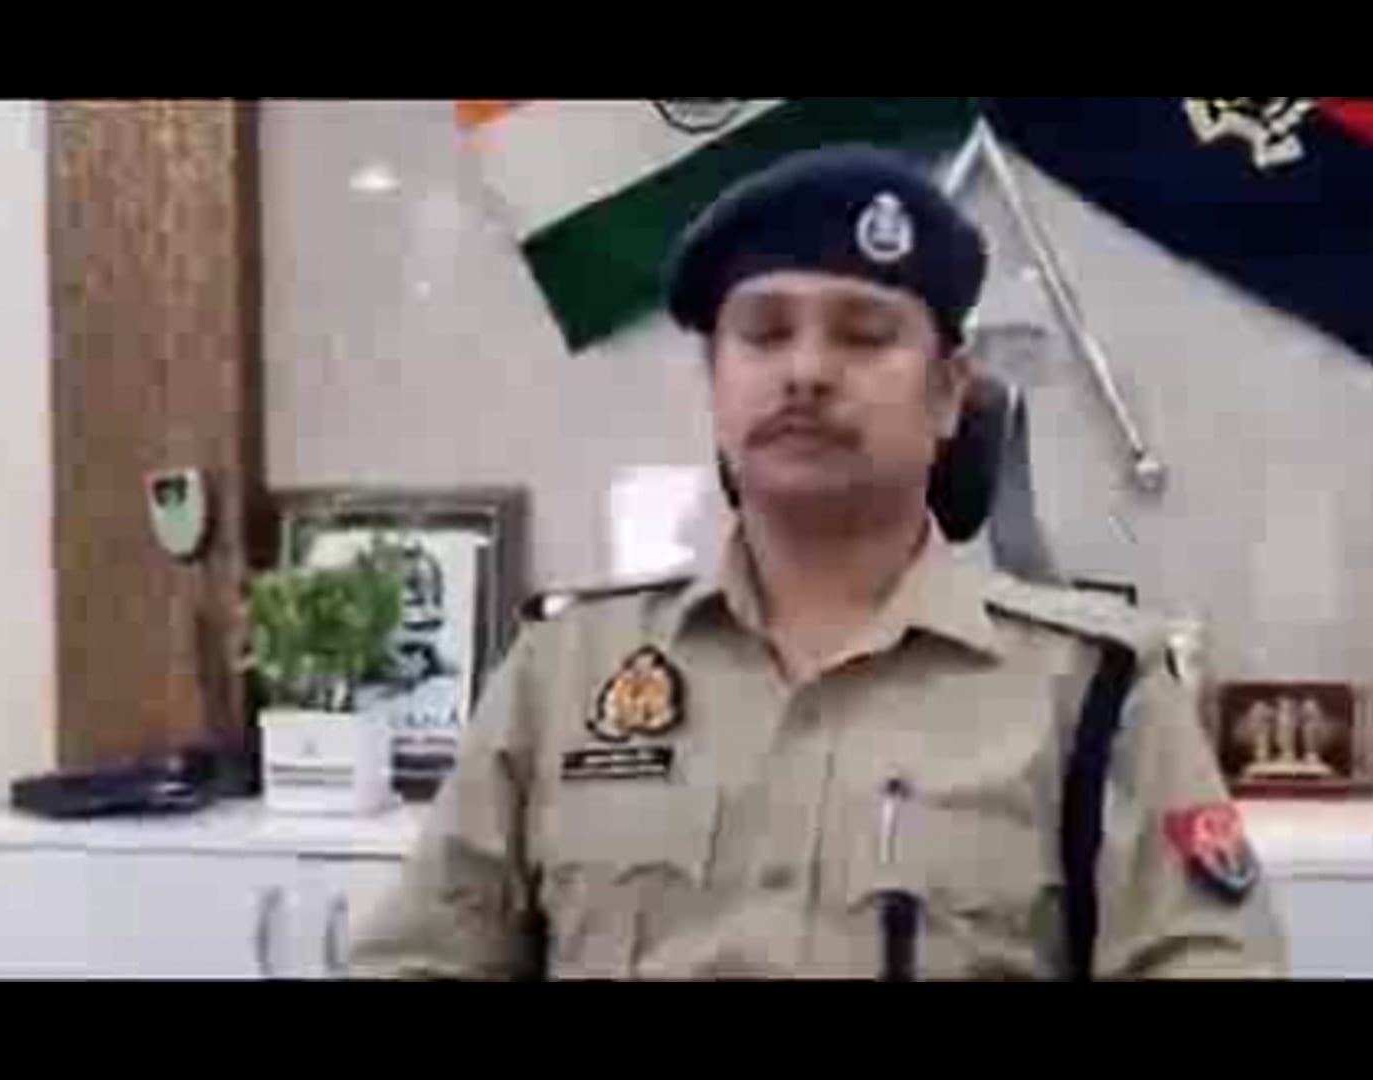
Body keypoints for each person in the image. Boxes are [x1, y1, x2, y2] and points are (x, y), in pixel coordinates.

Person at [346, 144, 1287, 980]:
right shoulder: (564, 674)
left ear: (950, 394)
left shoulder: (1095, 693)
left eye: (864, 335)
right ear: (714, 383)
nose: (805, 371)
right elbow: (420, 960)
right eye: (764, 334)